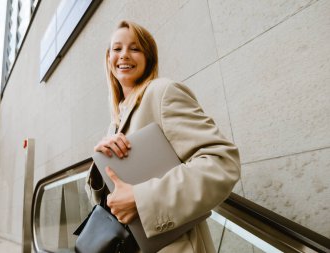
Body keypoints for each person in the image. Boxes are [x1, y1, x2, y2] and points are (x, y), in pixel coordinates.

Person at [85, 20, 241, 253]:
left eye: (134, 48)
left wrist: (141, 199)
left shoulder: (162, 92)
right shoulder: (115, 122)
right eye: (117, 49)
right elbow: (110, 203)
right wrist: (100, 165)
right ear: (108, 59)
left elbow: (222, 163)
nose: (124, 55)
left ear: (148, 57)